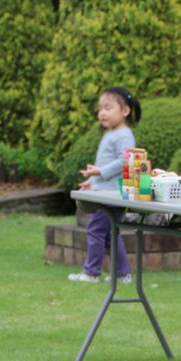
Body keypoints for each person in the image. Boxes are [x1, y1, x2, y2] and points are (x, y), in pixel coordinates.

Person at [68, 87, 142, 284]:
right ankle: (122, 273)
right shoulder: (112, 134)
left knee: (96, 230)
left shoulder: (124, 135)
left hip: (112, 194)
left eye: (108, 108)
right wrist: (92, 181)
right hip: (105, 191)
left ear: (125, 111)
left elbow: (125, 161)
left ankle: (91, 273)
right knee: (110, 233)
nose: (102, 113)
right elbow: (105, 164)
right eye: (100, 109)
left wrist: (99, 173)